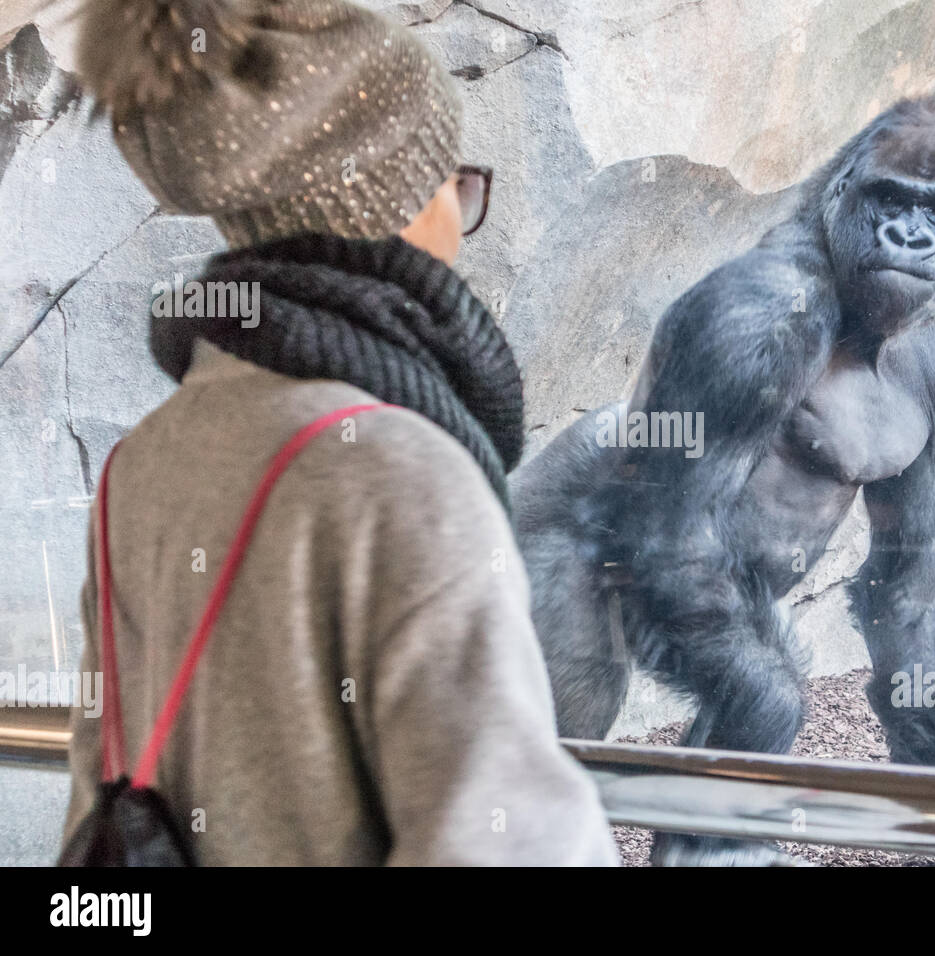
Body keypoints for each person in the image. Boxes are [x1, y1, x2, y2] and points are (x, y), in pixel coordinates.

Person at [61, 0, 618, 866]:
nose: (460, 219)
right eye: (452, 182)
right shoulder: (402, 472)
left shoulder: (143, 463)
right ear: (396, 203)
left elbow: (101, 785)